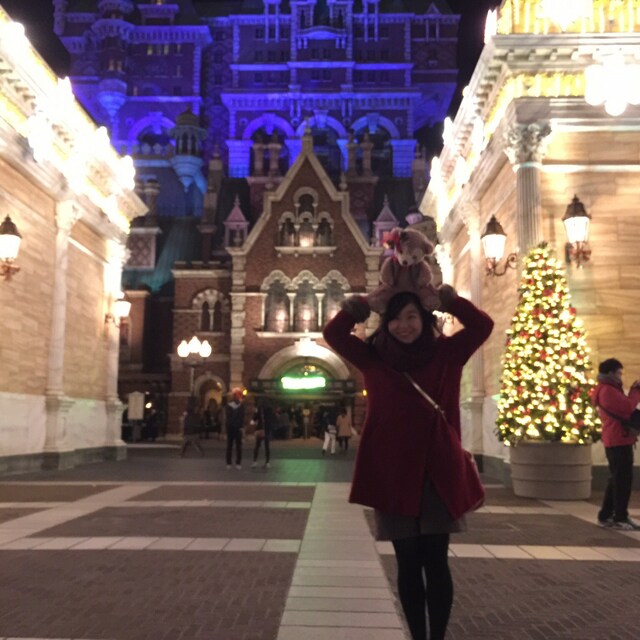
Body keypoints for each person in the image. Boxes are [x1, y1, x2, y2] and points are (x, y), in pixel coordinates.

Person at [323, 287, 493, 640]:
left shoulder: (447, 353)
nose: (404, 325)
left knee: (436, 561)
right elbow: (334, 334)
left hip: (437, 471)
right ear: (386, 322)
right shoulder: (373, 357)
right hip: (392, 473)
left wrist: (448, 300)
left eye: (412, 316)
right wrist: (366, 304)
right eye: (396, 318)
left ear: (425, 318)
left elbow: (482, 326)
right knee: (408, 563)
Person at [592, 358, 640, 530]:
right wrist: (636, 391)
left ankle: (606, 515)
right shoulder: (607, 390)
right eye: (619, 373)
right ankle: (620, 517)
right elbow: (627, 407)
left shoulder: (608, 388)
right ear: (610, 373)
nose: (621, 376)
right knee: (622, 481)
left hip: (617, 438)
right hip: (618, 439)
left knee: (617, 479)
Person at [252, 400, 276, 469]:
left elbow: (255, 418)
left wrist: (253, 421)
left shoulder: (260, 409)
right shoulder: (270, 410)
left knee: (257, 445)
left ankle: (255, 462)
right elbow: (274, 418)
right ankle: (267, 462)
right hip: (267, 429)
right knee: (267, 446)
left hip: (260, 429)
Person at [225, 387, 245, 469]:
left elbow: (242, 417)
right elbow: (229, 417)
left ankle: (237, 462)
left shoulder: (240, 406)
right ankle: (229, 462)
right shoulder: (230, 405)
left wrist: (241, 426)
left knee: (238, 446)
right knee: (230, 445)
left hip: (236, 427)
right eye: (238, 395)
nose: (239, 397)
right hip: (232, 427)